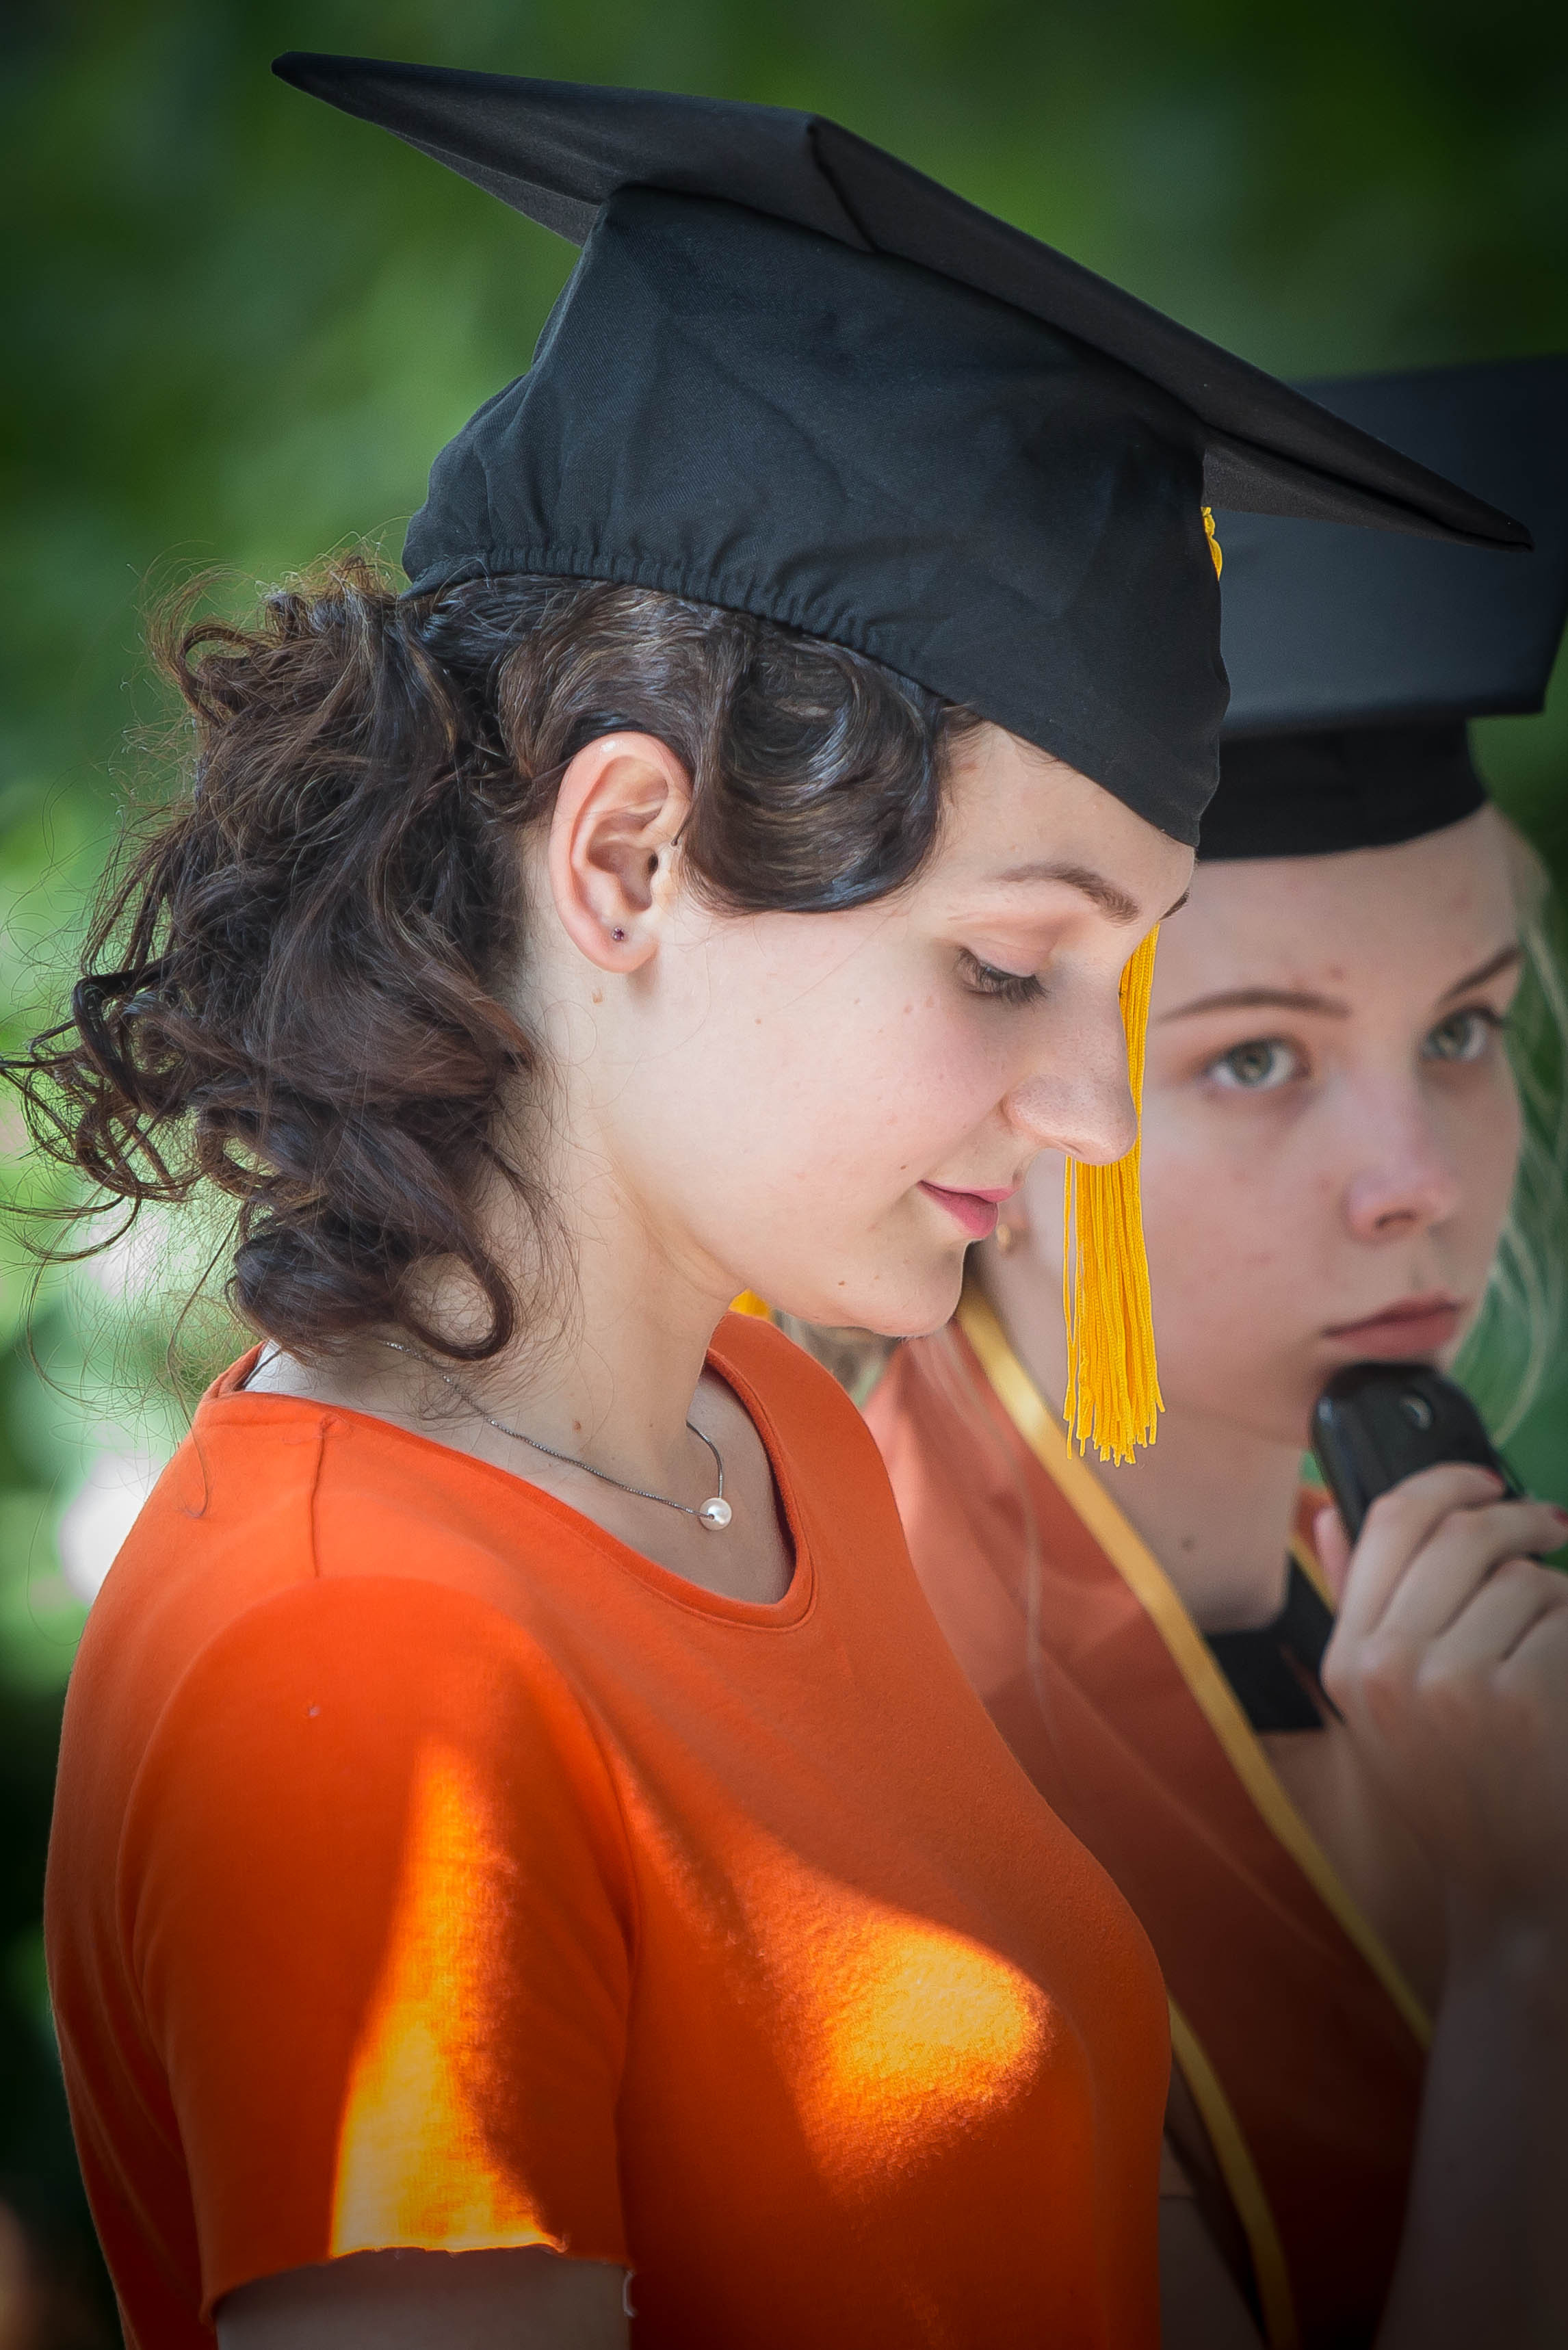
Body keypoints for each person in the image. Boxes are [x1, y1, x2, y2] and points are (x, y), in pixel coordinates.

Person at [16, 51, 1529, 2350]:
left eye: (1124, 996)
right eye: (1012, 968)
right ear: (626, 851)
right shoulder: (365, 1672)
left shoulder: (760, 1434)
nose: (1088, 1119)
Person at [865, 355, 1568, 2349]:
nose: (1417, 1180)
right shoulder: (891, 1745)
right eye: (1252, 1056)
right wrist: (1531, 1947)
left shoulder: (1457, 1571)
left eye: (1460, 1027)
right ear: (1017, 1094)